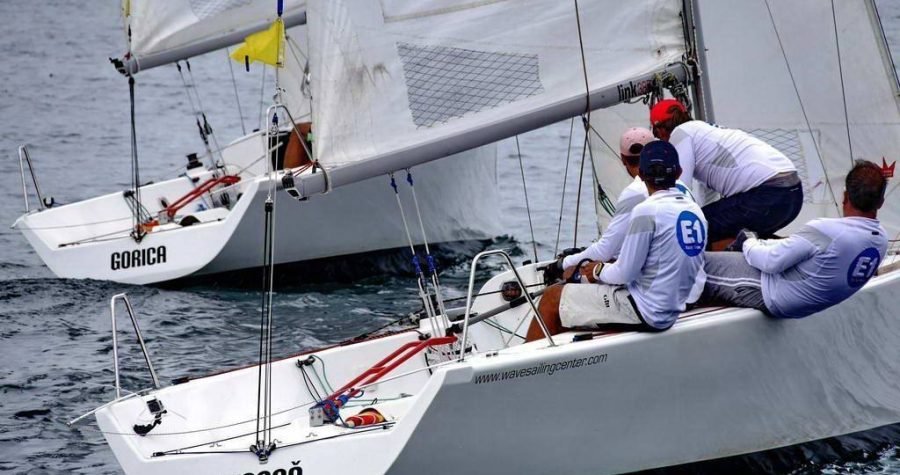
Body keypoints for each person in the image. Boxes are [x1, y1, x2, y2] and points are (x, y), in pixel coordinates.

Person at [527, 141, 707, 341]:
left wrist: (596, 270)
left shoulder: (646, 211)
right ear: (679, 172)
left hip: (647, 311)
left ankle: (523, 370)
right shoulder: (696, 211)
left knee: (552, 297)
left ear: (641, 174)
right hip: (675, 306)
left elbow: (623, 274)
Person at [701, 160, 889, 318]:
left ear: (844, 196)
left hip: (768, 292)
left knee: (698, 263)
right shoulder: (881, 240)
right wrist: (760, 244)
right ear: (880, 202)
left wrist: (747, 243)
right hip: (795, 302)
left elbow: (771, 262)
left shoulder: (825, 230)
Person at [650, 99, 803, 247]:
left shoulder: (680, 133)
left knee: (695, 228)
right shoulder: (703, 130)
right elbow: (707, 197)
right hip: (793, 193)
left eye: (656, 135)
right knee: (714, 222)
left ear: (661, 130)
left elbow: (679, 188)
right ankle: (789, 247)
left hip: (768, 194)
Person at [547, 127, 693, 278]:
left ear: (623, 159)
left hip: (659, 284)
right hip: (685, 275)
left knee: (558, 290)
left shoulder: (636, 192)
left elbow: (605, 252)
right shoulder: (681, 187)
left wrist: (562, 264)